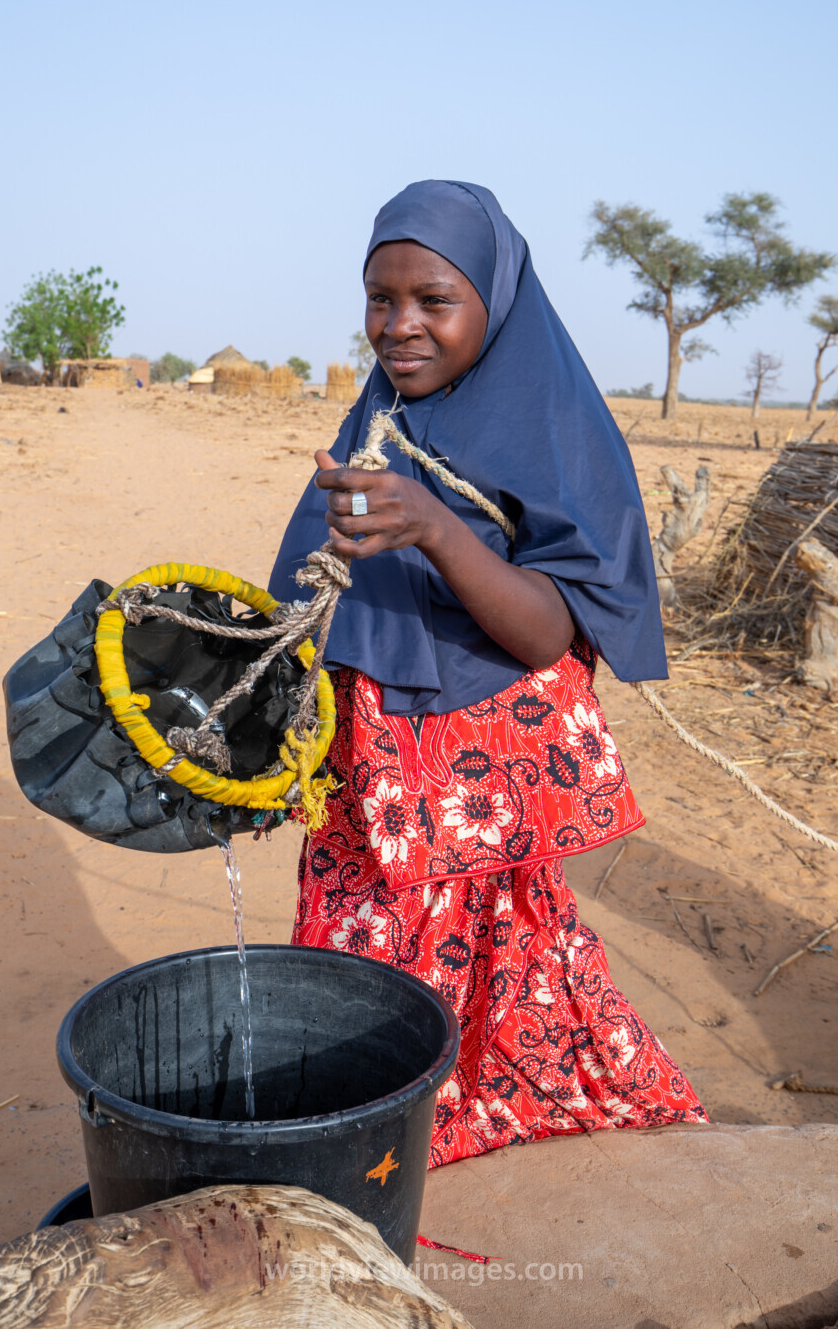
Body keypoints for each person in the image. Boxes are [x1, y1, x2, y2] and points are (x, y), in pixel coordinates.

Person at [269, 180, 707, 1167]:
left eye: (434, 300)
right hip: (368, 777)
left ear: (495, 300)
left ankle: (414, 1134)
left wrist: (433, 527)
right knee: (352, 964)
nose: (400, 325)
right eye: (380, 300)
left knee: (488, 959)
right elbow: (313, 596)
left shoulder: (552, 425)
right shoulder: (379, 416)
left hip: (478, 784)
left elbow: (548, 632)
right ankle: (371, 1135)